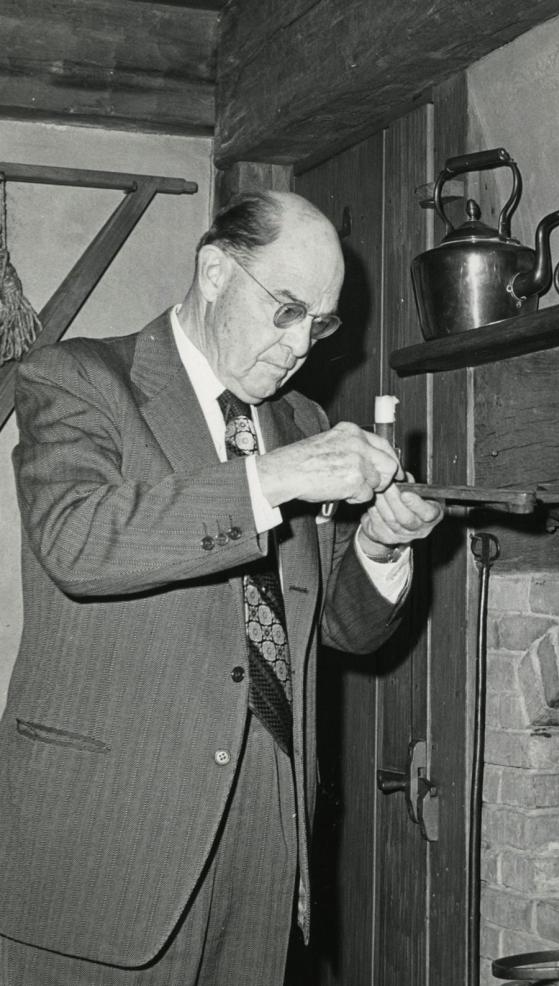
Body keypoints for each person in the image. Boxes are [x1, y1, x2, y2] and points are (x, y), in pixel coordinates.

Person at [0, 190, 442, 984]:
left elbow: (334, 627)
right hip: (103, 854)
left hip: (260, 854)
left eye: (322, 322)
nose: (303, 343)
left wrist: (377, 546)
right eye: (287, 309)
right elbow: (79, 540)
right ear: (213, 272)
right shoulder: (76, 378)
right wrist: (266, 480)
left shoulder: (300, 421)